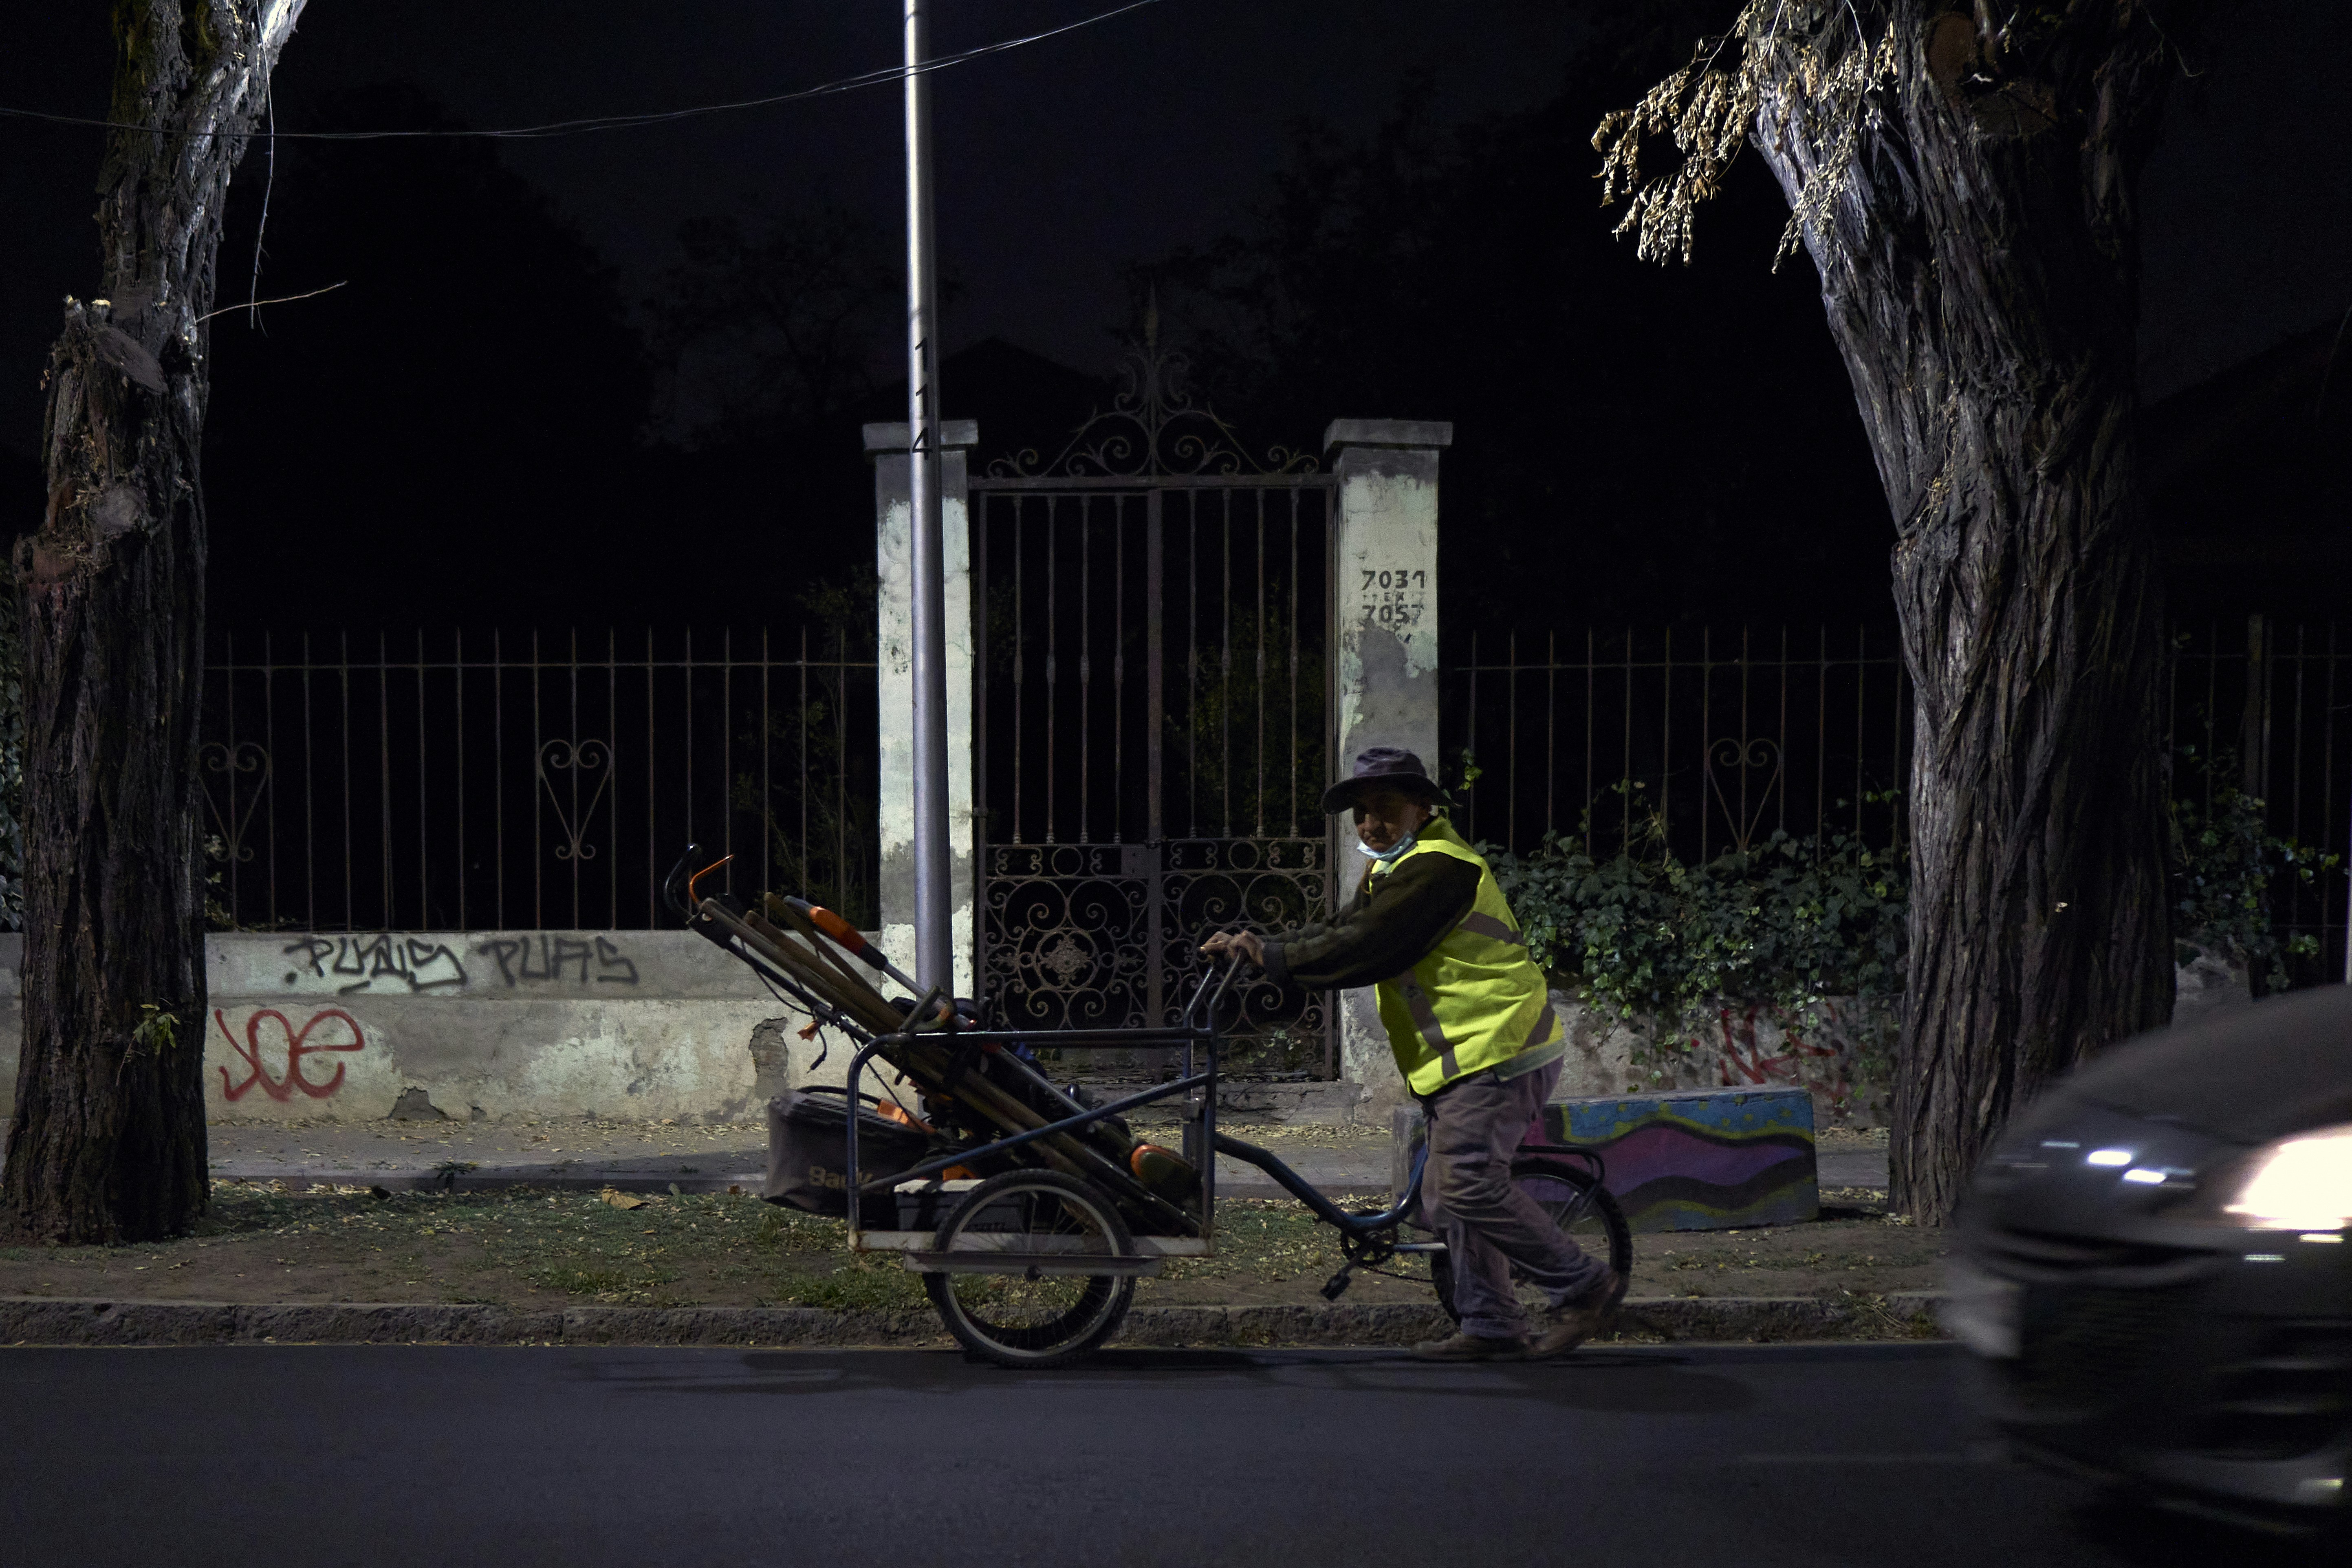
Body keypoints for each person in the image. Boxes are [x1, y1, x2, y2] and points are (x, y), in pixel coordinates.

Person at [1201, 746, 1621, 1361]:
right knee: (1448, 1196)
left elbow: (1372, 946)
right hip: (1459, 1057)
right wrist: (1258, 947)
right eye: (1362, 814)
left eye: (1385, 809)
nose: (1372, 824)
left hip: (1499, 1048)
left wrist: (1276, 961)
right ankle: (1493, 1325)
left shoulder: (1441, 869)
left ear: (1422, 808)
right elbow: (1337, 931)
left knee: (1467, 1185)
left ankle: (1584, 1286)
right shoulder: (1392, 871)